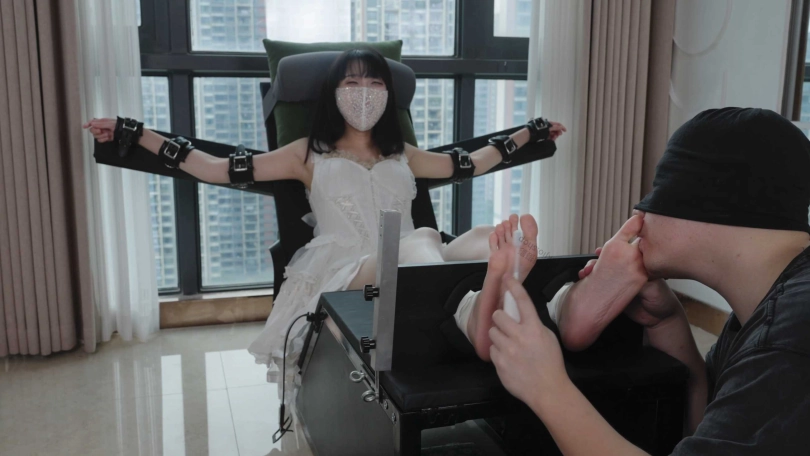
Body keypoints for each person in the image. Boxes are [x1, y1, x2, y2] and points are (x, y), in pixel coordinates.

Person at [83, 47, 565, 437]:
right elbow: (215, 169)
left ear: (388, 94)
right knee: (420, 243)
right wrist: (135, 133)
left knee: (486, 238)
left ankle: (551, 303)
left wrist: (533, 132)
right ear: (333, 94)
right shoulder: (306, 154)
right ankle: (474, 316)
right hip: (346, 268)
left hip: (415, 254)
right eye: (351, 83)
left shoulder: (403, 154)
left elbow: (472, 162)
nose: (364, 92)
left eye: (374, 83)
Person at [458, 107, 810, 454]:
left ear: (715, 204)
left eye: (659, 190)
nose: (639, 213)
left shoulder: (790, 338)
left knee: (449, 241)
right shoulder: (772, 310)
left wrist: (547, 388)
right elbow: (708, 431)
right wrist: (668, 321)